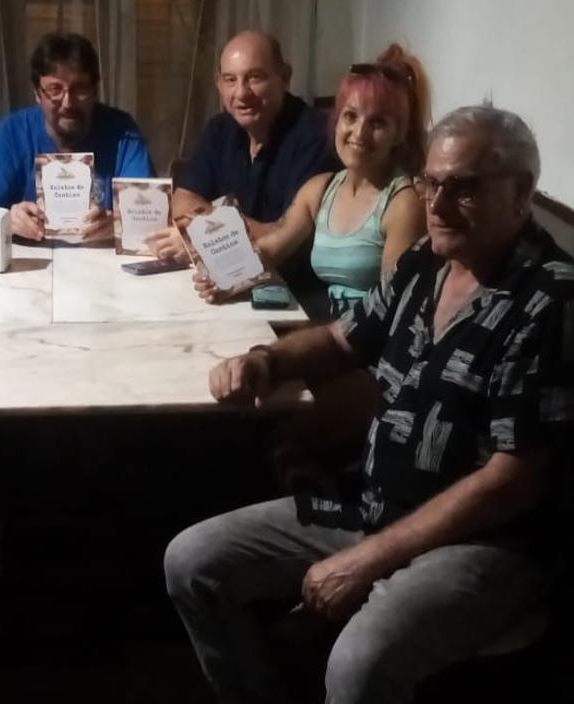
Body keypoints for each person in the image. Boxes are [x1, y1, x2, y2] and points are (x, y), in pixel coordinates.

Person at [164, 105, 573, 704]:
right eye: (432, 183)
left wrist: (369, 561)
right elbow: (341, 337)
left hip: (484, 545)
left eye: (463, 188)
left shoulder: (549, 297)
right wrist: (269, 361)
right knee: (191, 561)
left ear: (521, 194)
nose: (436, 203)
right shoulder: (426, 262)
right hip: (372, 502)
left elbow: (516, 479)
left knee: (357, 666)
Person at [194, 44, 429, 318]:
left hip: (362, 343)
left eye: (377, 123)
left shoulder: (403, 204)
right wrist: (223, 277)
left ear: (399, 134)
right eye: (350, 116)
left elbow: (393, 311)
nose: (359, 133)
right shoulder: (321, 188)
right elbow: (270, 249)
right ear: (336, 121)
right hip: (323, 327)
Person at [148, 30, 335, 260]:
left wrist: (204, 233)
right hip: (228, 274)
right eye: (230, 80)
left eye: (254, 77)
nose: (241, 93)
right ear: (218, 83)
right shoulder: (219, 129)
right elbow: (182, 200)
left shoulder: (317, 135)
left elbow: (282, 235)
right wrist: (219, 227)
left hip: (292, 286)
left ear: (285, 77)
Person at [0, 32, 155, 242]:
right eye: (55, 89)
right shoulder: (12, 133)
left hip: (101, 263)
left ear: (95, 90)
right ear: (37, 93)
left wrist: (118, 222)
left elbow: (149, 217)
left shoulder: (123, 133)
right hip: (30, 264)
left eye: (80, 89)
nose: (68, 102)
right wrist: (6, 220)